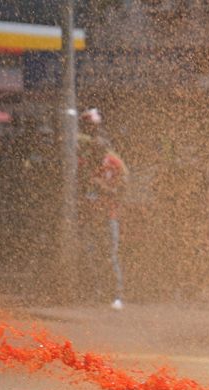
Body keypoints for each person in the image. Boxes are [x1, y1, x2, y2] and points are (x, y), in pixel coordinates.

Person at [78, 109, 128, 310]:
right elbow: (81, 187)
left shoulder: (114, 163)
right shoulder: (85, 163)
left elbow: (123, 187)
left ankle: (116, 294)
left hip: (108, 215)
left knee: (110, 255)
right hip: (90, 215)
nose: (96, 148)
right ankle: (95, 292)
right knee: (91, 254)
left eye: (100, 145)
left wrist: (105, 189)